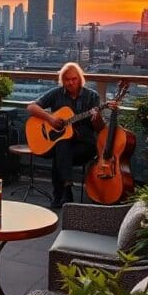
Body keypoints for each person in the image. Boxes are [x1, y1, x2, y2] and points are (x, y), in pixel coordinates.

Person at [27, 62, 112, 208]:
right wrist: (50, 118)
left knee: (61, 151)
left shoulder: (92, 96)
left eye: (74, 79)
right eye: (67, 79)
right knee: (62, 144)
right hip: (62, 144)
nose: (71, 82)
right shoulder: (57, 93)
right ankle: (66, 191)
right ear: (62, 80)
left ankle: (60, 194)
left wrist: (96, 118)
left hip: (85, 145)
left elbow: (99, 129)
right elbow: (31, 107)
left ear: (80, 79)